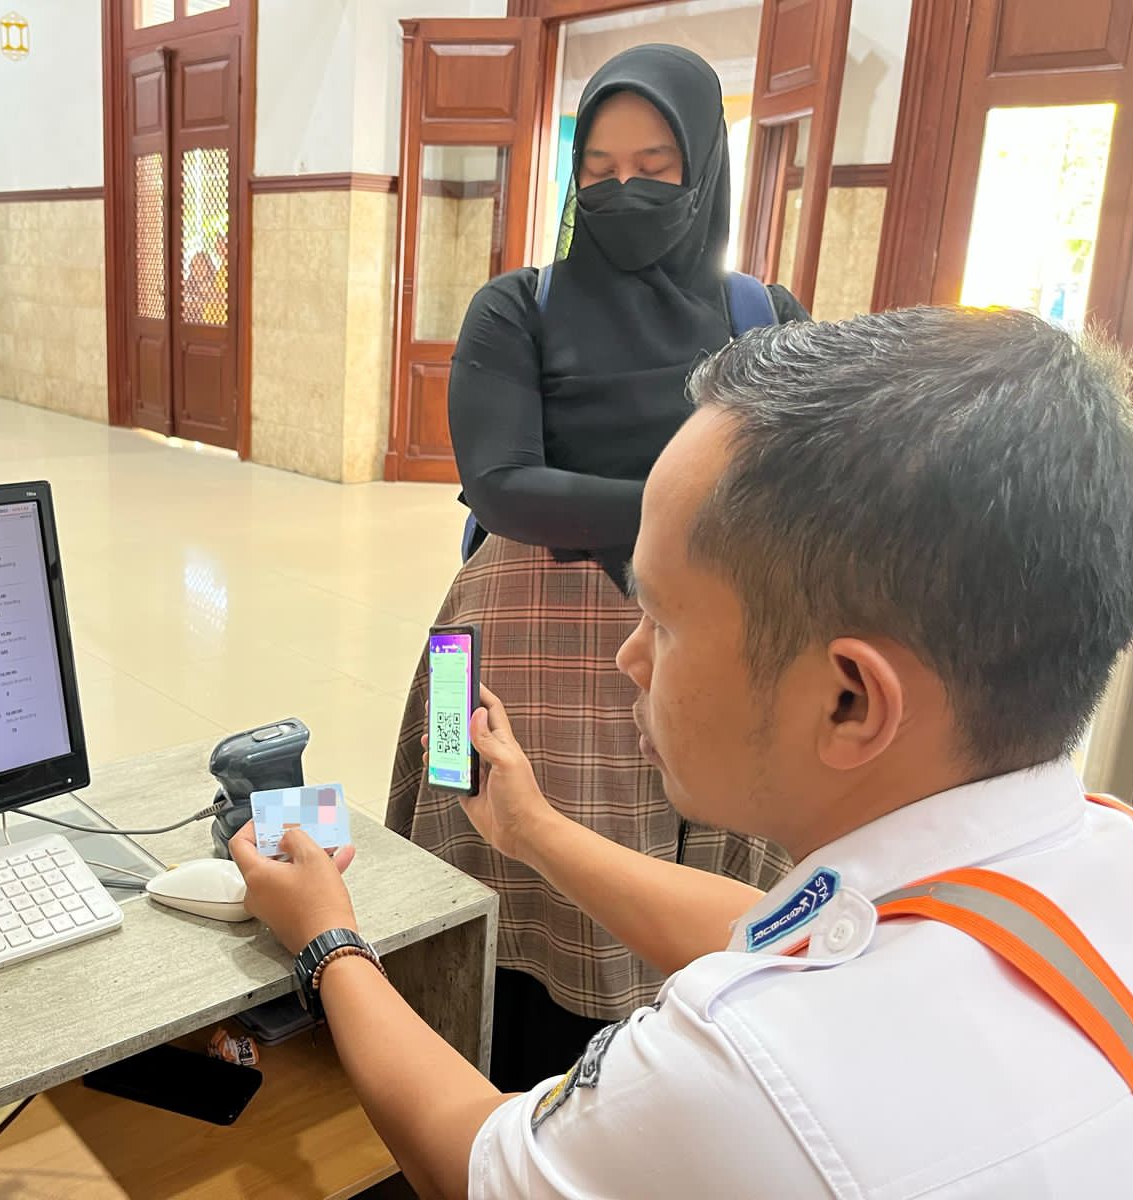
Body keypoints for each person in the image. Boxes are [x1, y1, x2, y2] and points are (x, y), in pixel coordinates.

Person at [240, 306, 1133, 1198]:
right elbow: (778, 927)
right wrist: (529, 828)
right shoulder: (1114, 848)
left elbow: (472, 1165)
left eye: (661, 619)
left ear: (849, 700)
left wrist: (328, 940)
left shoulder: (751, 1080)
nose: (628, 657)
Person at [388, 44, 806, 1090]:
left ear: (704, 166)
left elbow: (804, 485)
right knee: (479, 851)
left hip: (703, 649)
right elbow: (500, 486)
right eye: (599, 169)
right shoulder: (516, 306)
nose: (625, 190)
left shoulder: (764, 318)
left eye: (655, 166)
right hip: (506, 640)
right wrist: (690, 511)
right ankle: (462, 1103)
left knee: (675, 902)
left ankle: (651, 1112)